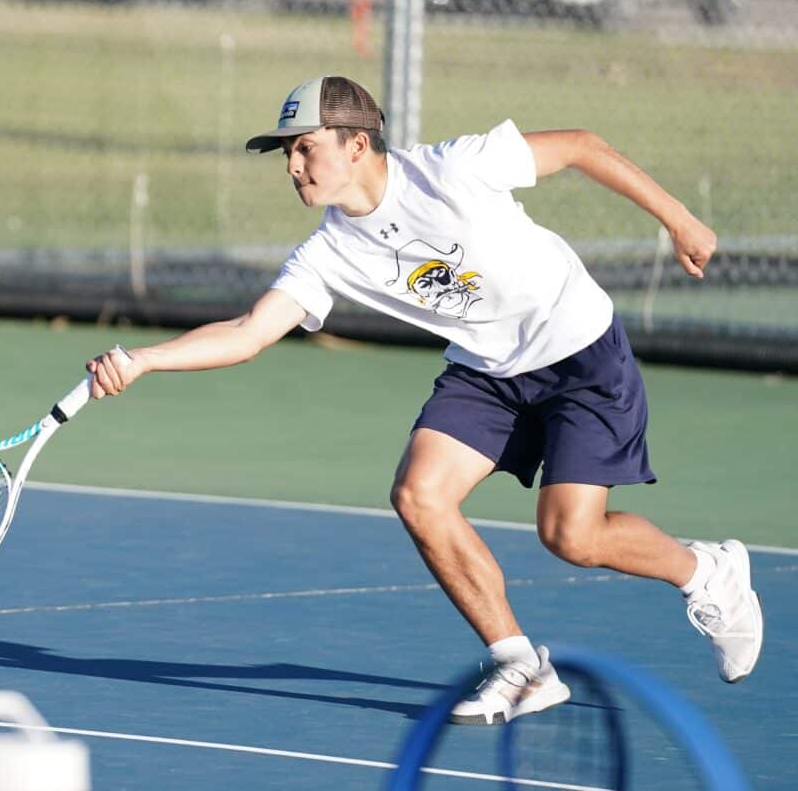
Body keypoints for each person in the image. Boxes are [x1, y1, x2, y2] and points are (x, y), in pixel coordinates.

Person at [86, 76, 763, 725]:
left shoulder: (453, 168)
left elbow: (582, 144)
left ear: (357, 144)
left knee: (572, 536)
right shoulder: (327, 252)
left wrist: (678, 220)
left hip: (578, 352)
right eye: (286, 153)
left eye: (303, 147)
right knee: (419, 495)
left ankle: (707, 572)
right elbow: (248, 331)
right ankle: (521, 666)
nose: (292, 165)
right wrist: (144, 360)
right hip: (487, 371)